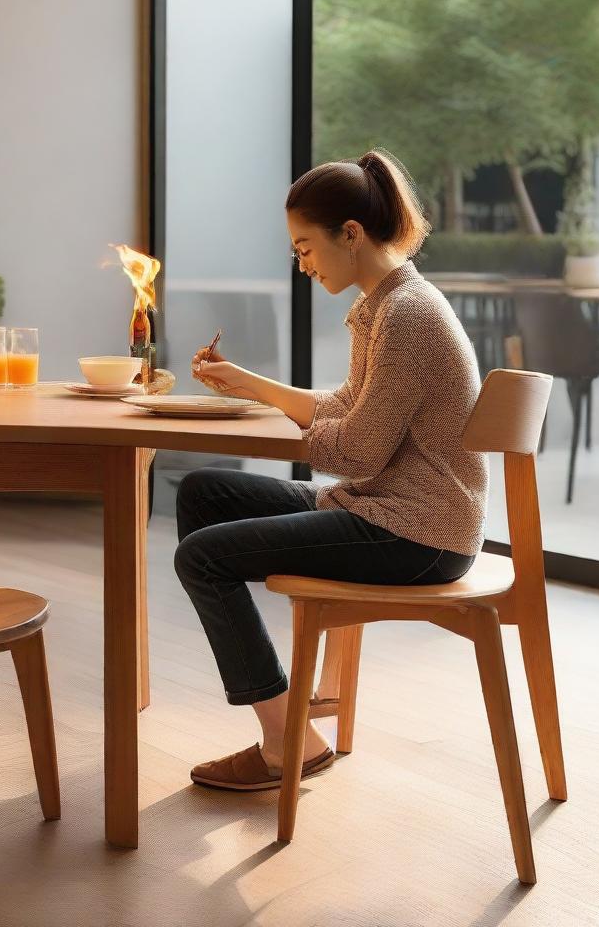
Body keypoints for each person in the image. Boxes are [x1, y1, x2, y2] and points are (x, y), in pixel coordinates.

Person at [176, 150, 488, 791]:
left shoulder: (407, 317)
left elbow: (357, 452)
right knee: (207, 493)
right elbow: (348, 410)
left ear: (351, 233)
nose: (303, 264)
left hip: (414, 537)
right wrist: (247, 385)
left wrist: (287, 420)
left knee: (202, 559)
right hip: (380, 512)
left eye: (306, 247)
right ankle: (286, 718)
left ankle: (284, 738)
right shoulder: (383, 305)